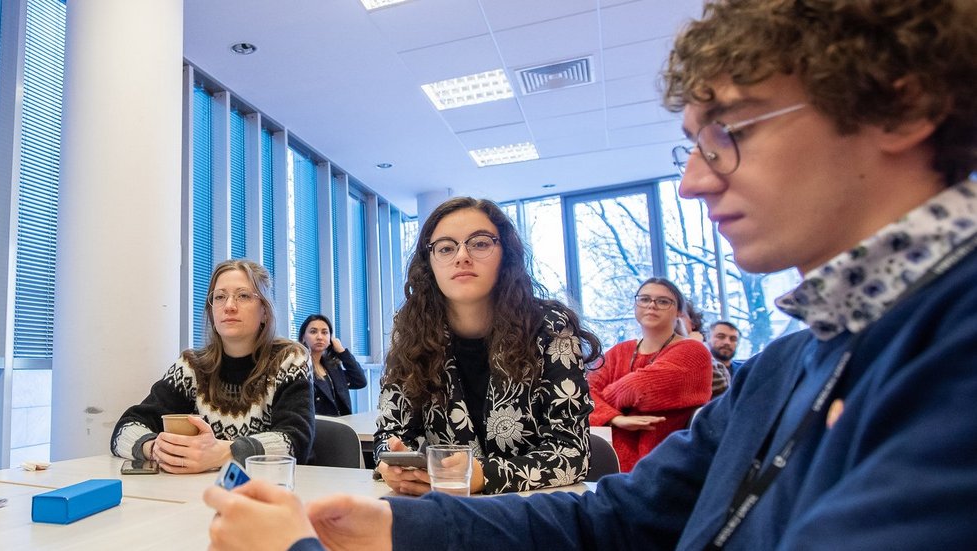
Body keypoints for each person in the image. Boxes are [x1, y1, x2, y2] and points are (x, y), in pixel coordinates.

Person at [204, 1, 977, 549]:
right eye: (695, 145)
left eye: (729, 133)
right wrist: (401, 528)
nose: (693, 183)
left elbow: (575, 462)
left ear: (899, 107)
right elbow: (615, 520)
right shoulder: (793, 363)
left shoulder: (951, 346)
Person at [371, 196, 601, 495]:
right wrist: (395, 464)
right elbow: (390, 433)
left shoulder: (550, 327)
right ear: (429, 264)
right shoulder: (412, 330)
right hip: (442, 510)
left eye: (479, 243)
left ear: (506, 255)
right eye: (445, 247)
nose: (462, 256)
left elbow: (572, 451)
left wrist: (484, 476)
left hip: (530, 511)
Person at [111, 259, 315, 472]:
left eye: (243, 296)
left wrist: (225, 453)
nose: (229, 306)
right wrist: (156, 448)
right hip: (203, 493)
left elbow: (295, 441)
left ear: (265, 311)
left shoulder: (290, 359)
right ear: (211, 311)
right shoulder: (192, 366)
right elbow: (125, 428)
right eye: (219, 297)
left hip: (273, 491)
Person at [588, 277, 712, 471]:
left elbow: (639, 389)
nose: (651, 306)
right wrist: (615, 418)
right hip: (607, 464)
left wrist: (604, 399)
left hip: (663, 466)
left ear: (679, 311)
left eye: (663, 301)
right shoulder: (620, 351)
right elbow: (584, 394)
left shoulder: (693, 352)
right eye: (644, 299)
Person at [298, 314, 366, 417]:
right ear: (303, 338)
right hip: (319, 429)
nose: (320, 337)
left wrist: (342, 352)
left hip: (342, 426)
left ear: (330, 339)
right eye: (313, 332)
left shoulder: (332, 367)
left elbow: (360, 381)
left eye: (325, 332)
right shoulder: (299, 368)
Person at [680, 300, 731, 397]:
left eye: (680, 316)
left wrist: (694, 348)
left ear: (693, 323)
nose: (674, 322)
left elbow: (719, 388)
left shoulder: (711, 359)